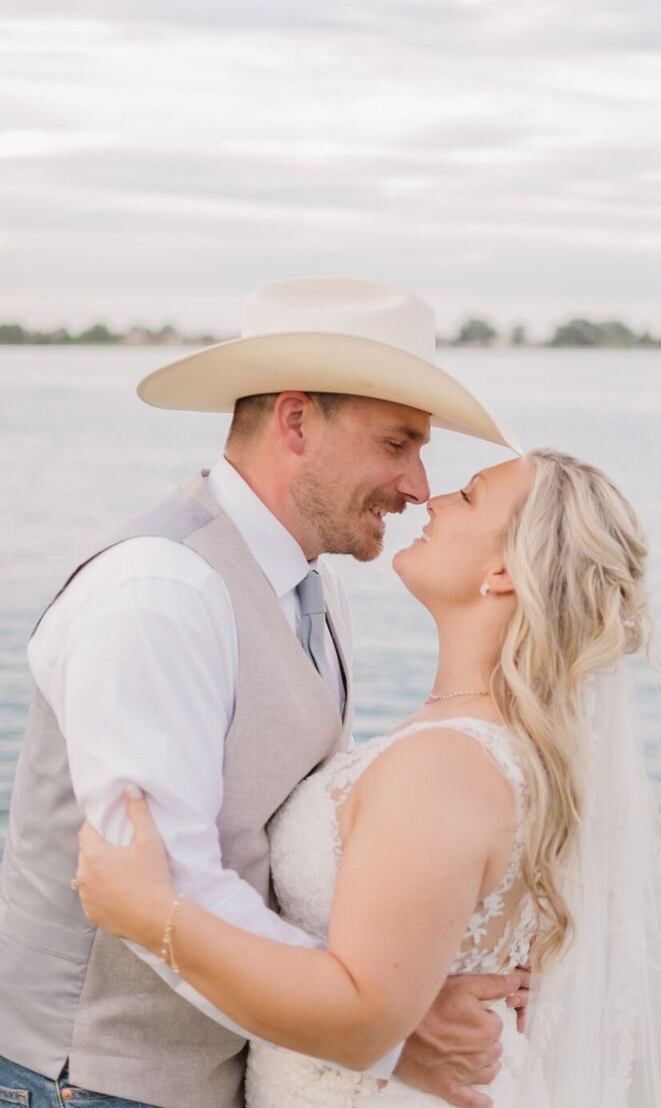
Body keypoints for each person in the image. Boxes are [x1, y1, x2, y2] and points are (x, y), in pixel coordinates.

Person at [0, 278, 526, 1108]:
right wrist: (378, 1034)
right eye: (398, 444)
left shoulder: (313, 583)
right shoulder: (159, 591)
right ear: (294, 421)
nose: (420, 485)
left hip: (223, 1073)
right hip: (90, 1083)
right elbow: (158, 888)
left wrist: (396, 991)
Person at [75, 449, 661, 1108]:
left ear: (506, 570)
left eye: (470, 496)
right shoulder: (501, 747)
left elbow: (364, 1014)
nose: (433, 499)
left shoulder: (444, 766)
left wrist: (153, 915)